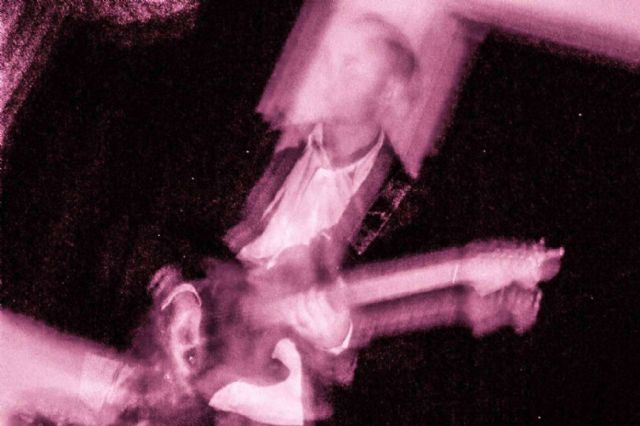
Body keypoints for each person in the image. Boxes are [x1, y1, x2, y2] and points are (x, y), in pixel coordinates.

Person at [153, 13, 549, 426]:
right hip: (179, 347)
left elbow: (404, 359)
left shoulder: (404, 208)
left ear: (389, 94)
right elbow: (169, 227)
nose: (330, 73)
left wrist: (339, 337)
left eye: (352, 65)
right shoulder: (261, 145)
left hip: (257, 394)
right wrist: (182, 294)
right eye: (332, 60)